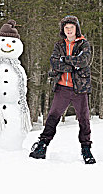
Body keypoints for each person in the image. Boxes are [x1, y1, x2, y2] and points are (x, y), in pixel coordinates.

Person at [29, 15, 96, 164]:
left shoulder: (84, 44)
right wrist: (72, 63)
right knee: (52, 117)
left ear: (76, 29)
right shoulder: (59, 45)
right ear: (63, 30)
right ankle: (42, 145)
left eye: (72, 27)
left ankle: (86, 149)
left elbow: (84, 61)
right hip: (62, 88)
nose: (69, 30)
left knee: (84, 119)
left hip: (80, 89)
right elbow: (54, 63)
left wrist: (65, 59)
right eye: (66, 28)